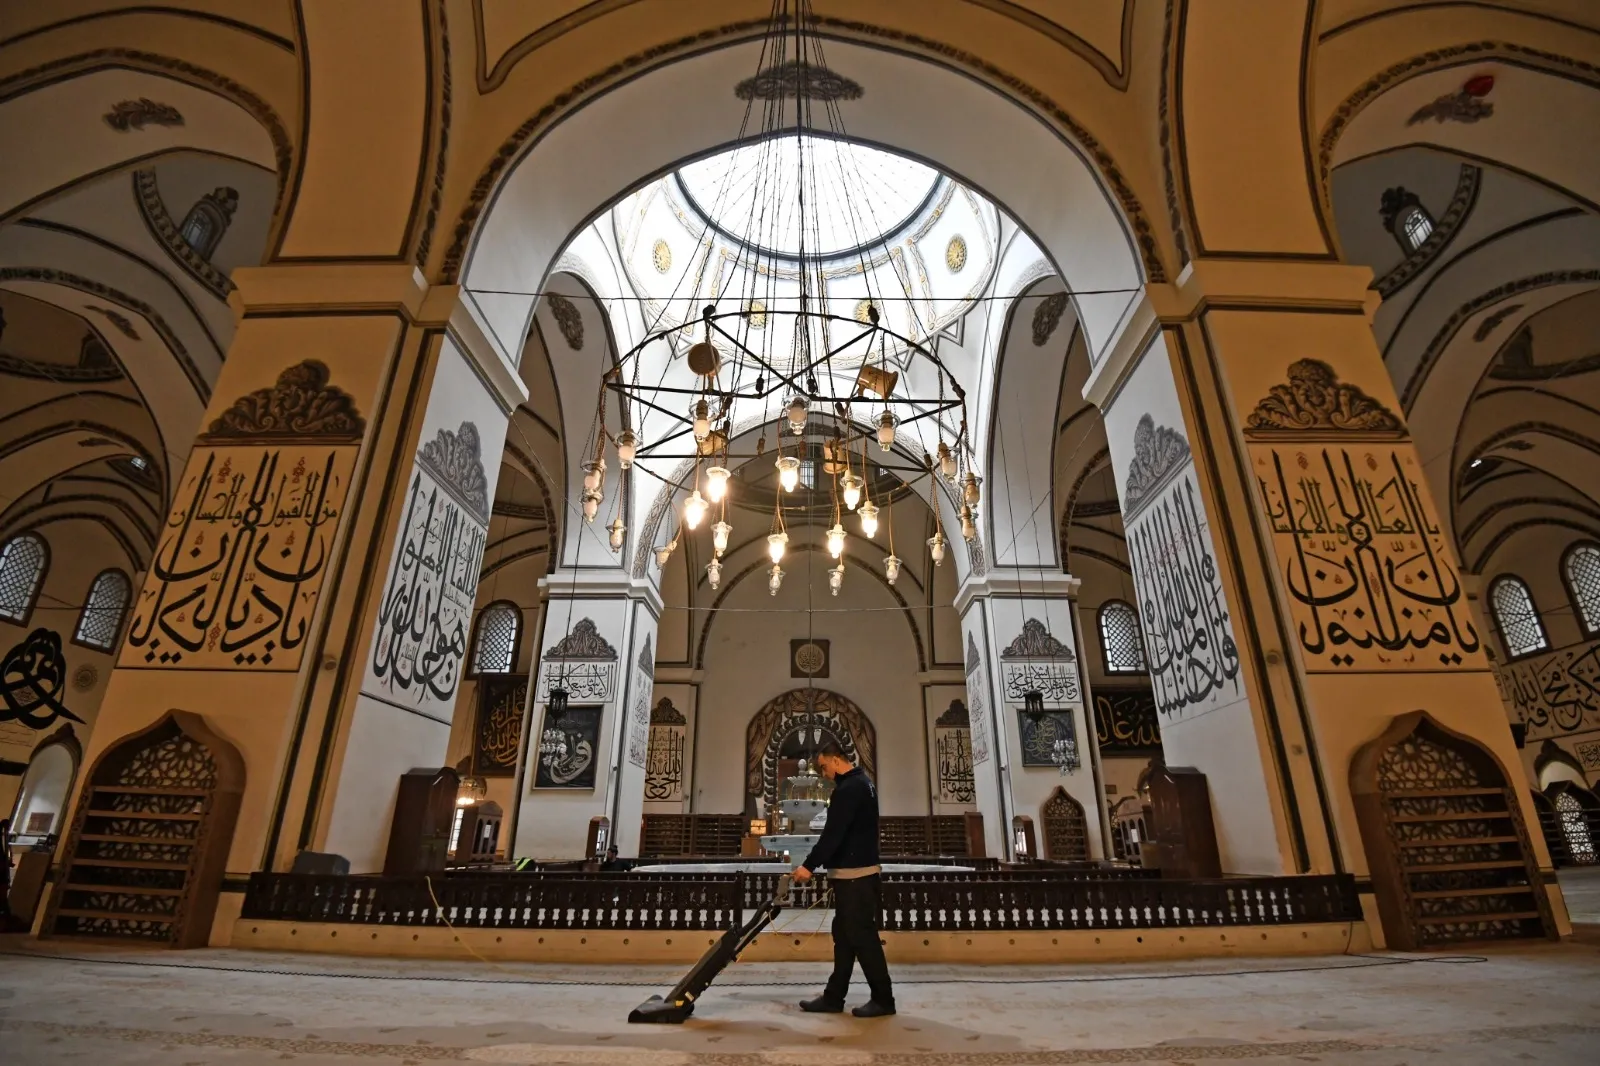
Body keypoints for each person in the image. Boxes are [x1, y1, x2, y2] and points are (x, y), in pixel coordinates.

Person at [794, 740, 895, 1018]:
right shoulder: (864, 784)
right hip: (857, 874)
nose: (824, 773)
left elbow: (833, 834)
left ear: (836, 760)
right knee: (845, 936)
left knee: (862, 936)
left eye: (824, 767)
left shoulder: (849, 789)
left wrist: (809, 866)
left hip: (855, 876)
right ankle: (833, 997)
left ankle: (884, 999)